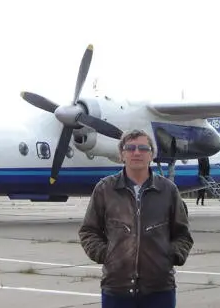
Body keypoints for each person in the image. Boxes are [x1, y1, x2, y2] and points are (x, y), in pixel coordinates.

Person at [78, 129, 194, 308]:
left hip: (159, 289)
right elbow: (88, 230)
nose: (137, 152)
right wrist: (107, 255)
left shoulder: (168, 191)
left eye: (143, 148)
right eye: (130, 148)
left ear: (152, 155)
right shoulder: (105, 189)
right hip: (117, 288)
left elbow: (182, 234)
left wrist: (170, 256)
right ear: (121, 154)